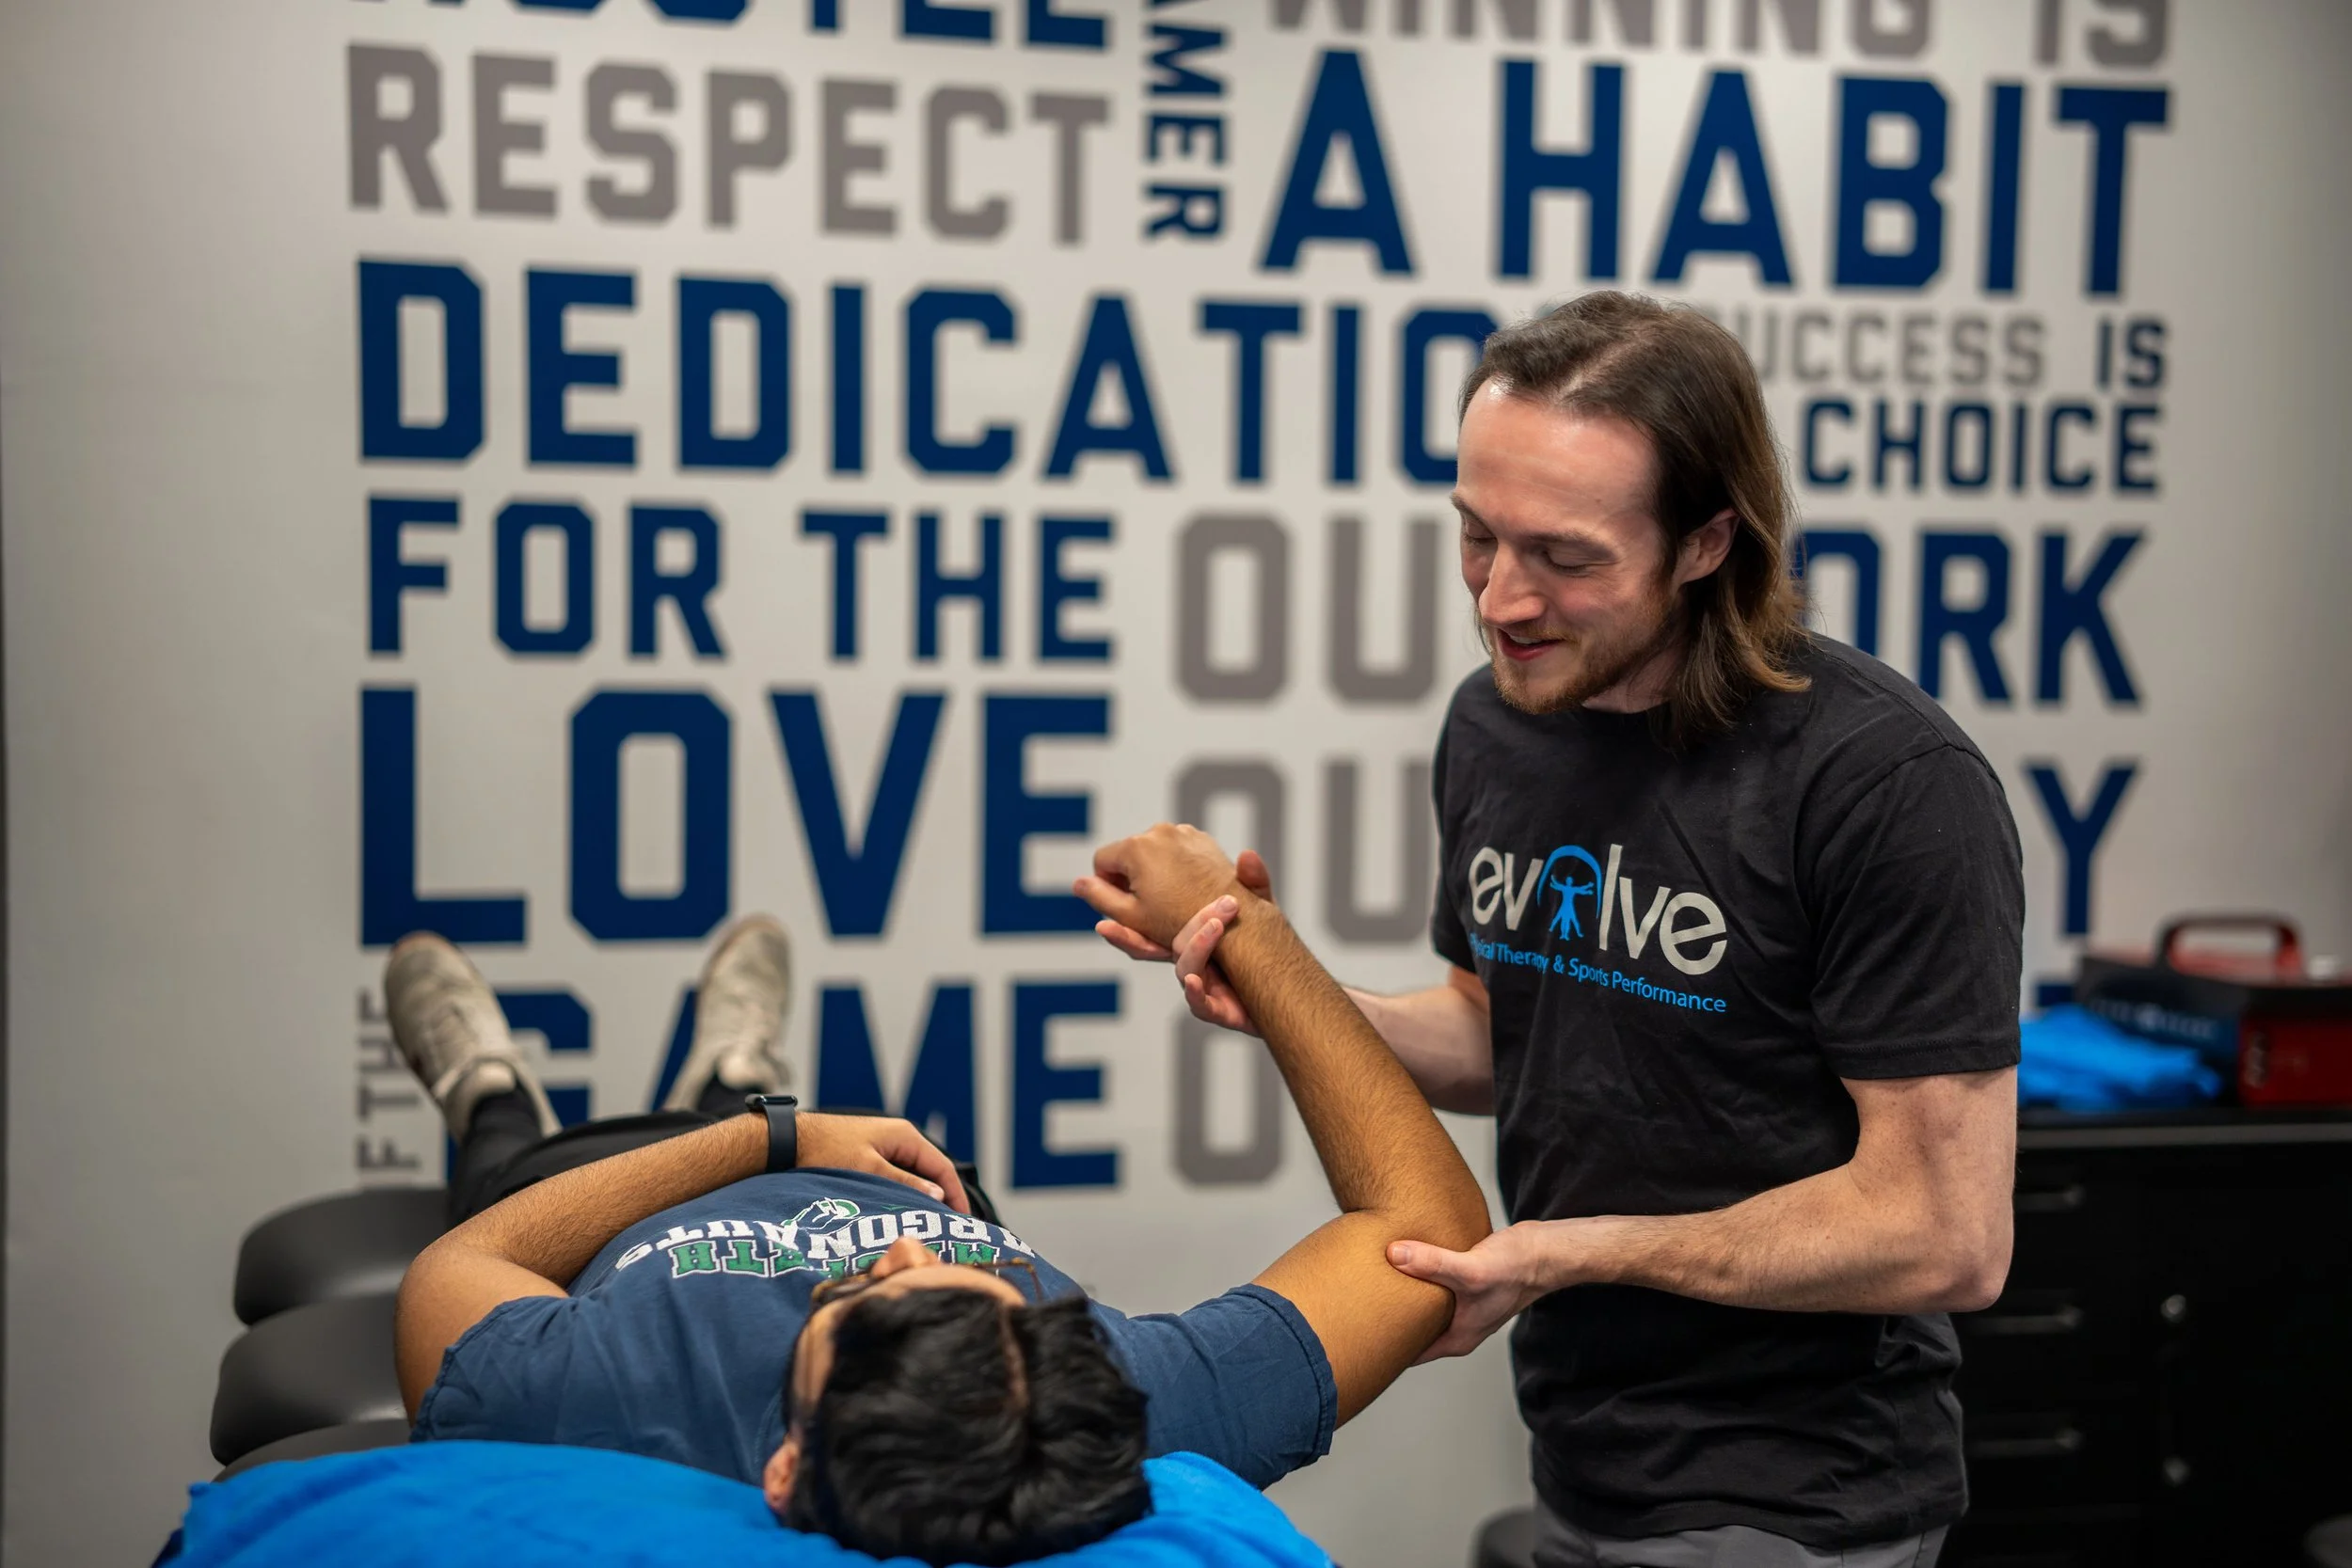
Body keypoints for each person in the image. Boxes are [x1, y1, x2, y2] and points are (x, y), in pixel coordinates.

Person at [1089, 291, 2025, 1568]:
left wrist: (1570, 1253)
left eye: (1566, 557)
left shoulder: (1881, 781)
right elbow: (1507, 1029)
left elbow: (1945, 1230)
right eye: (1478, 536)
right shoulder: (1499, 723)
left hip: (1796, 1492)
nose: (1503, 598)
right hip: (1583, 1452)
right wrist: (1285, 984)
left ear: (1706, 541)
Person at [389, 863, 1490, 1568]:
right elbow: (1429, 1230)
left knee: (506, 1159)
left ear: (785, 1468)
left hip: (611, 1190)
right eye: (989, 1296)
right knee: (742, 1095)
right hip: (859, 1155)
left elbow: (467, 1259)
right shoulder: (1121, 1403)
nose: (907, 1243)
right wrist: (1242, 926)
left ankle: (490, 1085)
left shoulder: (593, 1398)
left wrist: (770, 1138)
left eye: (864, 1293)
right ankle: (734, 1067)